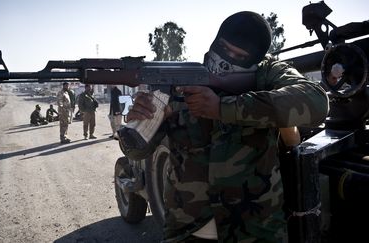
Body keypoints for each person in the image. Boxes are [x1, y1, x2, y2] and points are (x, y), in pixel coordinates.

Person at [120, 11, 329, 243]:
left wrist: (222, 108)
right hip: (186, 229)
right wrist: (137, 123)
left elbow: (316, 101)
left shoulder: (266, 73)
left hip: (255, 231)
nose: (225, 59)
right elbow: (137, 152)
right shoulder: (181, 81)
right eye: (223, 48)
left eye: (238, 55)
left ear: (255, 60)